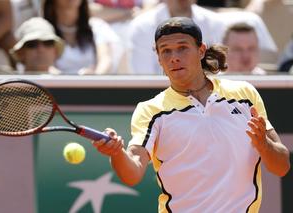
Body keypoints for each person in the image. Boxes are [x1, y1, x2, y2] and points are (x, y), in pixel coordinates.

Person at [92, 17, 290, 212]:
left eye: (182, 48)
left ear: (201, 50)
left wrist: (264, 145)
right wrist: (117, 153)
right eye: (166, 51)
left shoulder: (244, 94)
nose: (174, 57)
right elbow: (133, 174)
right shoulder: (151, 110)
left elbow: (282, 167)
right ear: (159, 59)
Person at [127, 0, 224, 74]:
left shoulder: (216, 23)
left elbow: (220, 70)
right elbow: (144, 77)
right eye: (166, 50)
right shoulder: (142, 26)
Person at [43, 0, 123, 75]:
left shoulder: (97, 27)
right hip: (55, 87)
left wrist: (94, 78)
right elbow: (44, 66)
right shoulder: (43, 29)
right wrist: (62, 79)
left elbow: (105, 60)